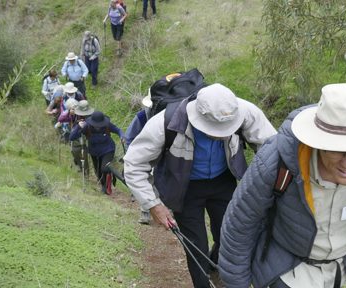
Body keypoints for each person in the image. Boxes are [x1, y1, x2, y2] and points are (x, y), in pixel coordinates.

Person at [218, 83, 346, 288]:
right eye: (336, 151)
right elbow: (240, 222)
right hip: (288, 271)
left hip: (342, 269)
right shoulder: (278, 159)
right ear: (319, 142)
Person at [124, 84, 277, 288]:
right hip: (185, 189)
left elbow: (273, 150)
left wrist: (272, 187)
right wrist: (154, 204)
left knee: (231, 237)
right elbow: (134, 163)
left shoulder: (244, 112)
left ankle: (217, 270)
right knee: (196, 247)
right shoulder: (165, 122)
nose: (221, 134)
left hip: (224, 181)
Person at [69, 110, 126, 195]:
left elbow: (118, 130)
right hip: (94, 151)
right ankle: (103, 185)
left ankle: (107, 182)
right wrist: (78, 127)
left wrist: (122, 136)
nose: (98, 126)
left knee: (104, 168)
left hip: (108, 149)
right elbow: (72, 137)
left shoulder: (107, 126)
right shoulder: (86, 126)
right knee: (98, 171)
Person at [123, 93, 154, 224]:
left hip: (165, 153)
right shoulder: (141, 117)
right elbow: (129, 137)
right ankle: (145, 211)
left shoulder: (170, 114)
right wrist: (134, 154)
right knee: (146, 181)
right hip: (144, 154)